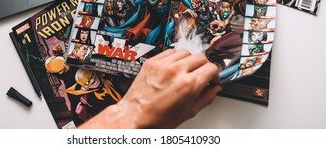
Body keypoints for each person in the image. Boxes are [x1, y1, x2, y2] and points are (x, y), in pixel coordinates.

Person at [78, 48, 222, 128]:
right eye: (88, 82)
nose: (93, 81)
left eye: (92, 78)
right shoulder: (86, 102)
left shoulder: (108, 79)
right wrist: (131, 113)